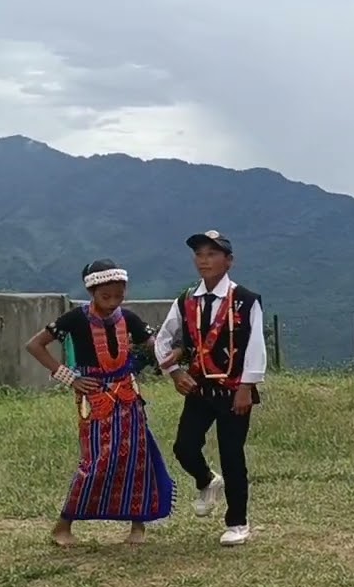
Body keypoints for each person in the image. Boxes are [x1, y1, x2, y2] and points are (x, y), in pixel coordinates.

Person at [24, 259, 175, 547]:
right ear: (92, 291)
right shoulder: (74, 319)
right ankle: (64, 525)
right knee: (97, 460)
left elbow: (153, 344)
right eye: (106, 296)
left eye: (119, 296)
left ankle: (137, 526)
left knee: (135, 457)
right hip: (94, 398)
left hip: (128, 397)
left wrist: (174, 352)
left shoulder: (127, 318)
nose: (113, 302)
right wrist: (69, 378)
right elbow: (35, 345)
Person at [154, 230, 268, 547]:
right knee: (184, 446)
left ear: (228, 261)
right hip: (201, 389)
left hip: (234, 390)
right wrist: (175, 372)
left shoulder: (246, 300)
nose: (205, 260)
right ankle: (207, 480)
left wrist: (247, 386)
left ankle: (237, 522)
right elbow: (164, 339)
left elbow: (256, 346)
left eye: (212, 254)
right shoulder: (187, 300)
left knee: (232, 454)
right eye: (200, 254)